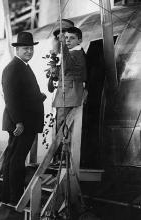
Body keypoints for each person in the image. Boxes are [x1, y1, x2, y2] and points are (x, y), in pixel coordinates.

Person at [1, 31, 46, 205]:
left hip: (24, 122)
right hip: (21, 124)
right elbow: (10, 98)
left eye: (31, 49)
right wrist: (18, 122)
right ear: (17, 50)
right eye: (25, 49)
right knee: (16, 160)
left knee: (13, 158)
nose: (29, 51)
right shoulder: (14, 68)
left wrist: (37, 97)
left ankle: (8, 197)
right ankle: (15, 198)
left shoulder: (22, 66)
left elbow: (22, 95)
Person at [49, 27, 87, 162]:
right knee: (61, 126)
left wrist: (62, 46)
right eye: (66, 38)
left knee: (63, 127)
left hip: (69, 96)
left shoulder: (76, 54)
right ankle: (60, 157)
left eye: (72, 38)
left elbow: (67, 65)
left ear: (79, 40)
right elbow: (63, 71)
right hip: (66, 95)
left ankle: (62, 158)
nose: (68, 40)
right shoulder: (71, 53)